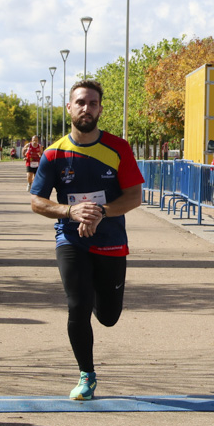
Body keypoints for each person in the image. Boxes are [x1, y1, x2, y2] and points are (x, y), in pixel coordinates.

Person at [30, 79, 143, 401]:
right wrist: (69, 211)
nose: (86, 108)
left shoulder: (118, 148)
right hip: (71, 240)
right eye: (80, 102)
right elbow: (36, 201)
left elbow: (134, 196)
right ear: (69, 107)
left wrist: (100, 213)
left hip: (110, 240)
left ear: (100, 109)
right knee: (77, 306)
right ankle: (86, 375)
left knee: (107, 317)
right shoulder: (54, 154)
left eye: (92, 103)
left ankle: (95, 290)